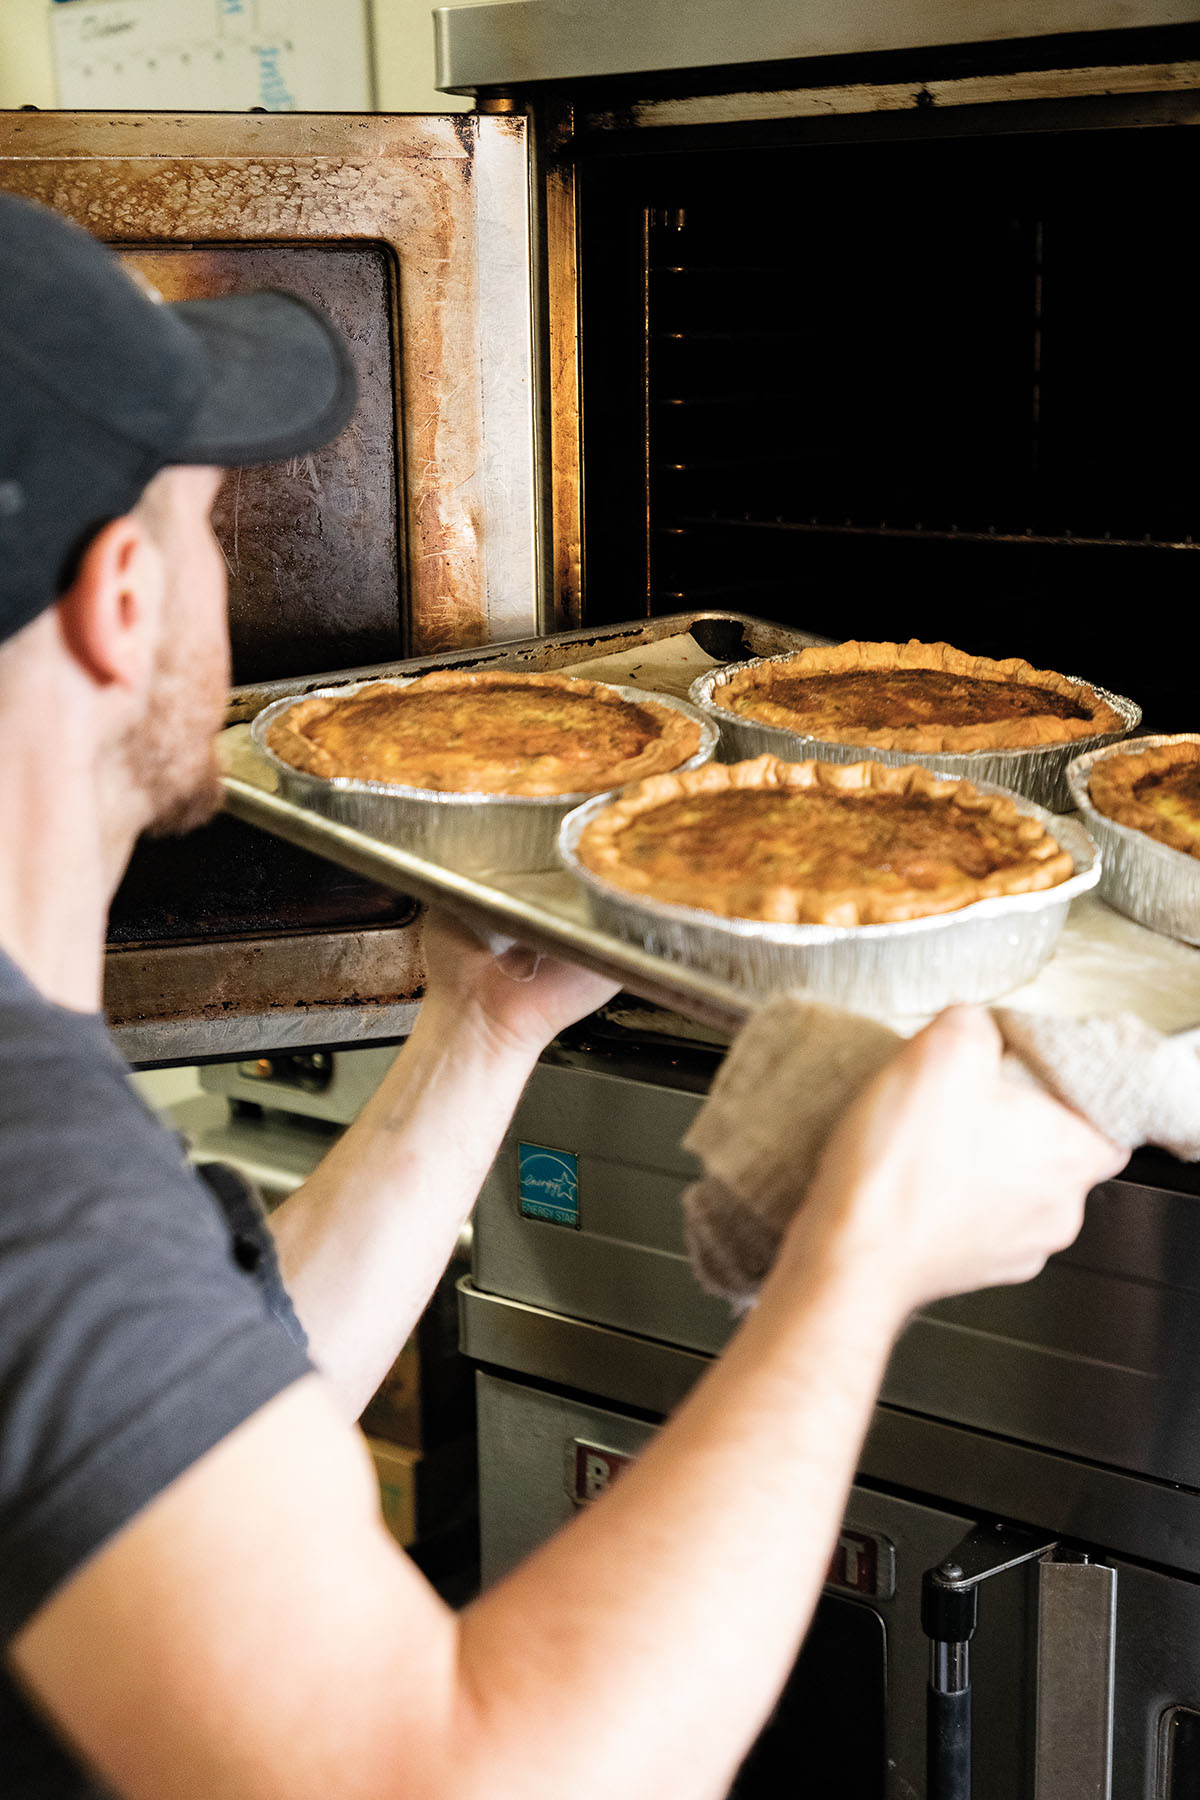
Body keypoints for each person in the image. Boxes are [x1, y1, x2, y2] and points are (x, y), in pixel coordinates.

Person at [0, 190, 1122, 1800]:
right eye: (205, 528)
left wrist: (479, 1032)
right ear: (122, 601)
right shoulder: (29, 1176)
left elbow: (182, 1412)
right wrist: (855, 1266)